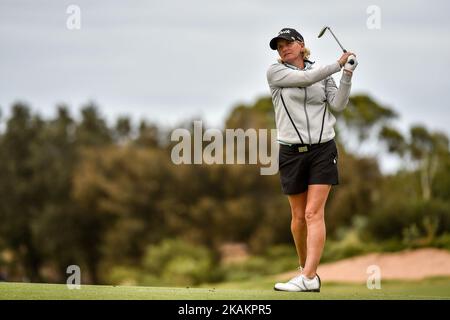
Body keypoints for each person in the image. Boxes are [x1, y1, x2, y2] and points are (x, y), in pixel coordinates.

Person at [266, 27, 357, 292]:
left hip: (322, 149)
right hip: (291, 152)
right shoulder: (276, 72)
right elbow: (305, 79)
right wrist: (337, 65)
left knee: (312, 213)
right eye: (279, 46)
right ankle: (306, 270)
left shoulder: (322, 72)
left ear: (301, 44)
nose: (283, 49)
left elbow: (337, 105)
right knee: (297, 219)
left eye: (287, 44)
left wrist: (347, 74)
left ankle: (308, 276)